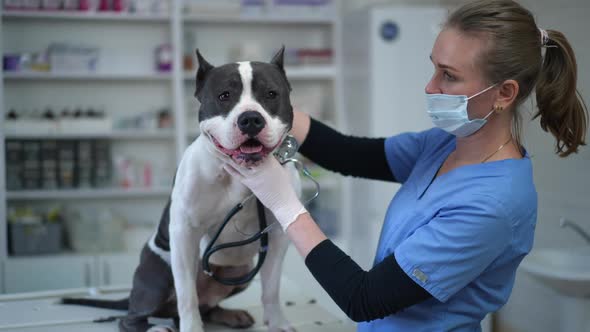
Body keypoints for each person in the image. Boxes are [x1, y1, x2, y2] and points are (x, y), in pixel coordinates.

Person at [218, 0, 588, 330]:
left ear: (504, 94)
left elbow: (364, 299)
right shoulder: (445, 144)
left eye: (449, 75)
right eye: (434, 69)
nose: (429, 87)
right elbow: (348, 154)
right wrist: (264, 104)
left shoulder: (493, 205)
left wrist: (286, 206)